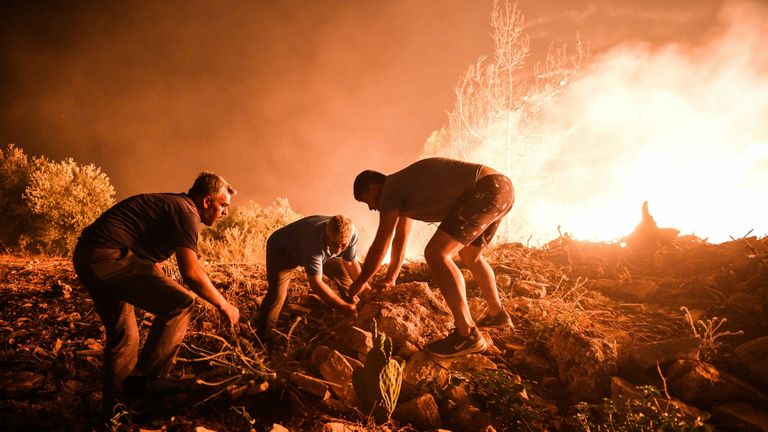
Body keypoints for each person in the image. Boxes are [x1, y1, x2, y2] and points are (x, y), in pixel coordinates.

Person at [72, 172, 240, 416]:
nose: (225, 212)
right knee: (181, 303)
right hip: (108, 256)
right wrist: (224, 305)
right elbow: (191, 272)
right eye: (222, 205)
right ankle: (148, 382)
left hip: (91, 256)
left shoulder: (174, 205)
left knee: (125, 336)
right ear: (206, 201)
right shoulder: (187, 212)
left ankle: (116, 412)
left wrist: (159, 288)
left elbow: (150, 264)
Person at [348, 157, 514, 358]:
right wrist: (391, 278)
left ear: (373, 189)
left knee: (436, 253)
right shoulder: (404, 189)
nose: (372, 208)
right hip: (502, 188)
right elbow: (400, 239)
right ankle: (497, 314)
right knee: (470, 255)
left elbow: (382, 243)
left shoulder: (390, 191)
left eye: (367, 201)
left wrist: (360, 281)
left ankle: (467, 334)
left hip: (486, 190)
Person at [255, 215, 365, 342]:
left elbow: (350, 263)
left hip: (318, 251)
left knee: (341, 269)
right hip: (283, 251)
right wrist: (342, 306)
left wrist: (365, 288)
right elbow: (316, 283)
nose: (337, 249)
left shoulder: (350, 233)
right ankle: (264, 338)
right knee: (277, 295)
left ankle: (354, 305)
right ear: (326, 234)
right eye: (334, 244)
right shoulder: (313, 240)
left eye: (343, 245)